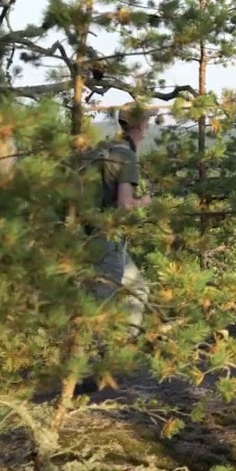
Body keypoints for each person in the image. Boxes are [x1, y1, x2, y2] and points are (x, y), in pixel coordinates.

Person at [86, 102, 154, 364]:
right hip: (105, 238)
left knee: (138, 288)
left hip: (91, 234)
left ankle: (121, 353)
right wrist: (144, 203)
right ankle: (90, 367)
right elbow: (125, 204)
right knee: (101, 301)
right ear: (139, 126)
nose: (148, 126)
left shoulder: (106, 149)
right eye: (147, 122)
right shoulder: (126, 155)